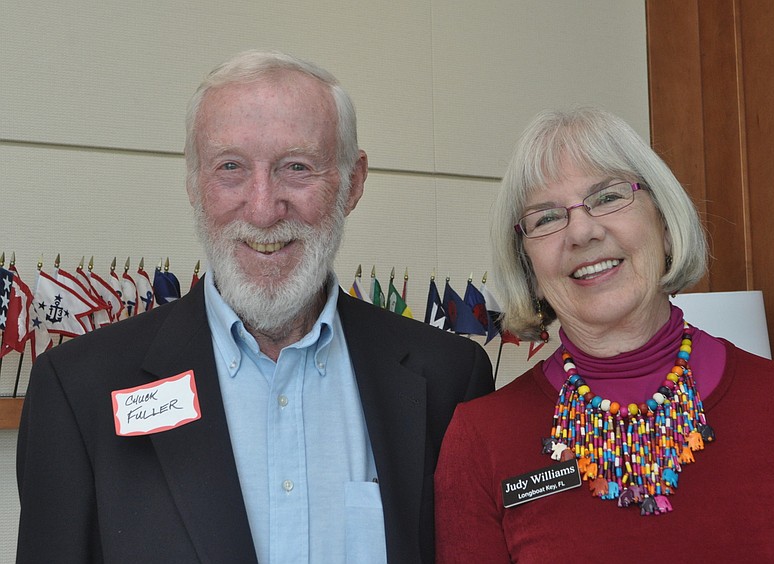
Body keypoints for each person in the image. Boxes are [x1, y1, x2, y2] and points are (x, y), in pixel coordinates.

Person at [16, 50, 494, 564]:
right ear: (193, 182)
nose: (264, 208)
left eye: (296, 167)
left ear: (353, 182)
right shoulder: (79, 391)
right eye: (231, 168)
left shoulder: (448, 380)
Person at [434, 107, 774, 562]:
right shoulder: (480, 440)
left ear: (666, 226)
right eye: (546, 218)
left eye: (609, 197)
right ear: (529, 269)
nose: (582, 232)